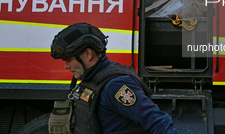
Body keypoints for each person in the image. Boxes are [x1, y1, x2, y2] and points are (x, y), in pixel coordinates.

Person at [50, 22, 179, 134]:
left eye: (68, 60)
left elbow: (157, 121)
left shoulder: (116, 86)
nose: (66, 66)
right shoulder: (92, 79)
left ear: (88, 54)